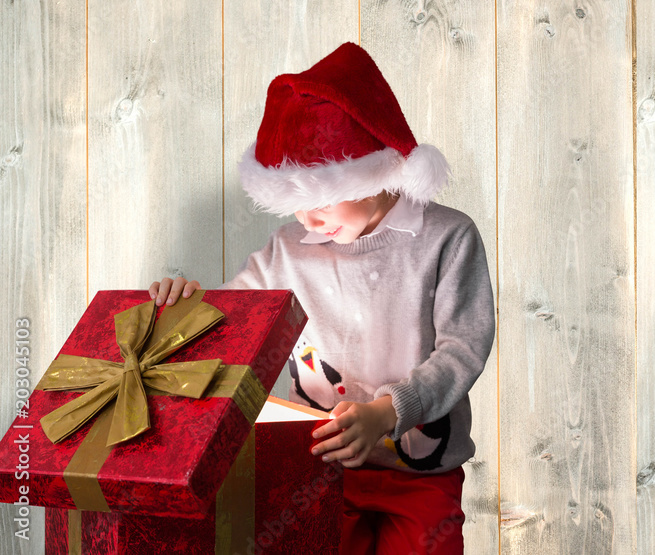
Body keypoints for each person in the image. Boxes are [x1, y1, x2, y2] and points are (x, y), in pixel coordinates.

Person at [149, 41, 495, 554]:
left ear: (372, 173)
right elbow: (233, 318)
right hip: (318, 468)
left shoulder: (447, 238)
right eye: (294, 205)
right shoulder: (288, 252)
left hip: (420, 474)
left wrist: (386, 411)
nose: (307, 220)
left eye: (319, 198)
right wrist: (185, 304)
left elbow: (463, 350)